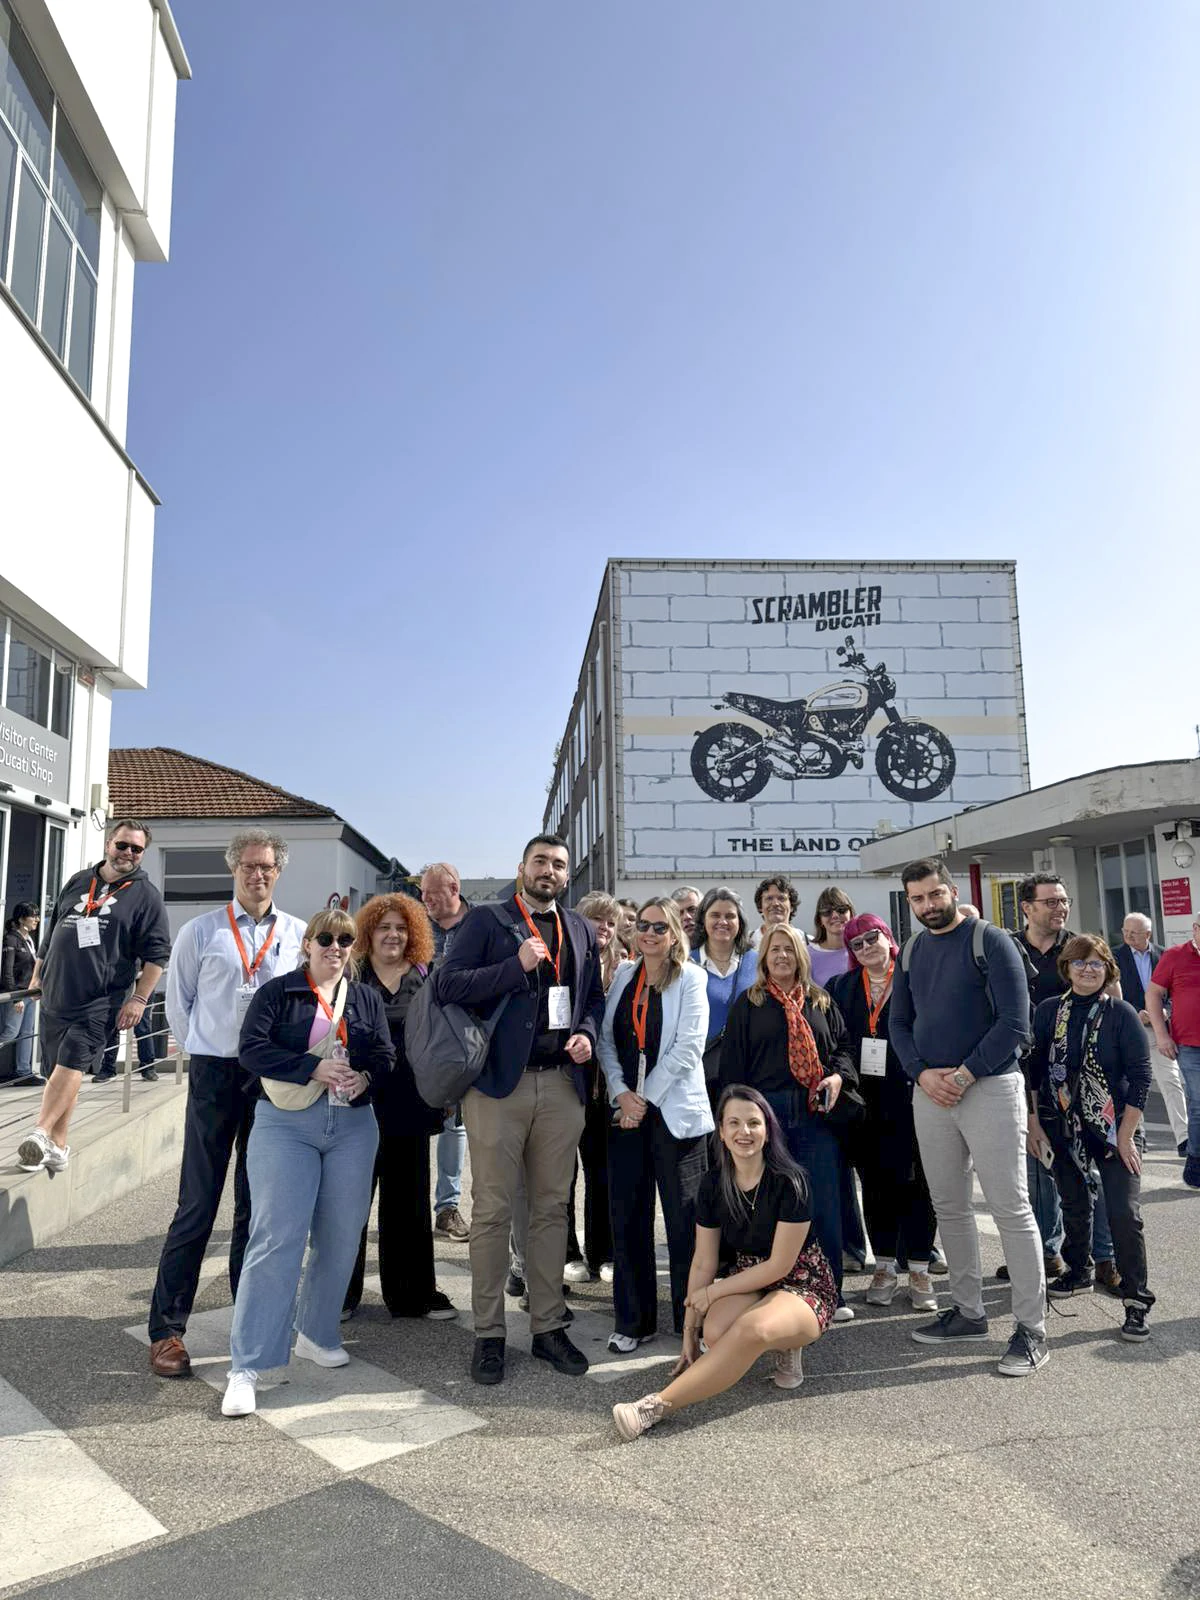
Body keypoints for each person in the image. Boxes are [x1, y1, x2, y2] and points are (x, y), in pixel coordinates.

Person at [438, 834, 605, 1386]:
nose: (549, 870)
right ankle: (489, 1333)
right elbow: (449, 985)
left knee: (552, 1210)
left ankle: (547, 1326)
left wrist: (585, 1033)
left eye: (558, 864)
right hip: (497, 1088)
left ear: (566, 875)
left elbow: (593, 999)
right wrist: (514, 966)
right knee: (492, 1212)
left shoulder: (580, 928)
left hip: (560, 1085)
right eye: (540, 862)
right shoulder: (486, 922)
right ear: (521, 868)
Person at [221, 908, 394, 1417]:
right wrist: (311, 1067)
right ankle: (248, 1366)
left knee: (341, 1235)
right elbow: (251, 1050)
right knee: (276, 1238)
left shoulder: (364, 996)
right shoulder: (280, 992)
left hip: (353, 1126)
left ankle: (316, 1334)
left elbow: (385, 1054)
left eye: (345, 939)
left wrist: (365, 1076)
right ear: (308, 944)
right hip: (285, 1123)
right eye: (326, 938)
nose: (335, 947)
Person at [148, 830, 307, 1377]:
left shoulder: (298, 934)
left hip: (271, 1079)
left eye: (266, 866)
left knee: (256, 1206)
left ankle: (250, 1321)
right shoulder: (201, 931)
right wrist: (207, 1049)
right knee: (197, 1203)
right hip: (215, 1074)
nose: (256, 874)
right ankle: (167, 1330)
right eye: (248, 865)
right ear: (233, 869)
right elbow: (179, 1004)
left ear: (278, 871)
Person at [890, 858, 1049, 1377]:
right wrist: (920, 1073)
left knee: (1010, 1208)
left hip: (990, 1088)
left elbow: (1016, 1023)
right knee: (950, 1207)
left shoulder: (991, 941)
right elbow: (899, 1023)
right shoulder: (910, 951)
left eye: (935, 894)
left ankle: (1031, 1328)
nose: (928, 905)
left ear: (952, 891)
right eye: (917, 899)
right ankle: (968, 1312)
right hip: (930, 1093)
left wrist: (963, 1074)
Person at [611, 1086, 834, 1442]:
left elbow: (779, 1266)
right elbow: (703, 1261)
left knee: (752, 1329)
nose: (744, 1132)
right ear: (721, 1132)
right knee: (714, 1332)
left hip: (802, 1284)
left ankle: (655, 1407)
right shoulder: (713, 1183)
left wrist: (714, 1293)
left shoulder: (791, 1181)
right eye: (734, 1123)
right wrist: (690, 1330)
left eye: (753, 1123)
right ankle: (778, 1335)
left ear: (767, 1131)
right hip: (750, 1278)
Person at [17, 819, 171, 1175]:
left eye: (136, 849)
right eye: (122, 845)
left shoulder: (146, 896)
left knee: (72, 1062)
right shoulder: (78, 880)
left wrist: (139, 999)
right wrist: (38, 975)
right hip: (57, 993)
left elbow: (157, 955)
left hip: (101, 1000)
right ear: (108, 844)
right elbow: (52, 932)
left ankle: (39, 1132)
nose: (128, 853)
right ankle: (57, 1147)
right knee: (60, 1071)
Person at [719, 924, 856, 1320]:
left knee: (823, 1203)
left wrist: (837, 1076)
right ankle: (773, 1290)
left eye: (789, 949)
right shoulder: (750, 1003)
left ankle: (829, 1294)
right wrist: (738, 1122)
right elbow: (733, 1069)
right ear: (764, 957)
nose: (782, 956)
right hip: (767, 1117)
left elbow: (844, 1048)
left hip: (816, 1115)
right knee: (770, 1206)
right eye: (775, 949)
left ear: (801, 956)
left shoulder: (821, 1001)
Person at [1026, 935, 1154, 1340]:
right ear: (1067, 968)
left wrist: (1126, 1136)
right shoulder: (1050, 1011)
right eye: (1080, 962)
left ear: (1108, 970)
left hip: (1115, 1129)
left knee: (1124, 1214)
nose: (1087, 970)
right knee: (1074, 1202)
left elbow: (1141, 1078)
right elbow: (1034, 1071)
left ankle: (1136, 1301)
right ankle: (1078, 1270)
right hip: (1063, 1125)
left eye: (1096, 963)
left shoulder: (1121, 1013)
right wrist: (1034, 1123)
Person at [599, 899, 711, 1351]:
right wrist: (620, 1093)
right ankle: (634, 1322)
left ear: (675, 933)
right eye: (643, 925)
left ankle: (693, 1324)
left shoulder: (692, 977)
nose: (649, 933)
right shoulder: (625, 975)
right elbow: (606, 1041)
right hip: (626, 1113)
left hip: (674, 1115)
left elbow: (689, 1047)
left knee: (685, 1225)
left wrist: (642, 1099)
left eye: (659, 927)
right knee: (628, 1218)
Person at [342, 893, 457, 1322]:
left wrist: (448, 1094)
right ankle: (340, 1294)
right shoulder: (351, 975)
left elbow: (444, 1039)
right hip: (358, 1103)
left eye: (402, 928)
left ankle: (412, 1295)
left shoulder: (427, 977)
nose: (393, 935)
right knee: (349, 1203)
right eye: (384, 927)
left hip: (411, 1103)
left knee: (408, 1203)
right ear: (368, 933)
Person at [829, 914, 938, 1312]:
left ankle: (920, 1269)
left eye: (871, 938)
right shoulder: (841, 987)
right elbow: (836, 1040)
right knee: (876, 1187)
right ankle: (885, 1267)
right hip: (867, 1102)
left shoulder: (914, 979)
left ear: (887, 937)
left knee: (918, 1185)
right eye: (856, 944)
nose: (865, 948)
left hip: (914, 1094)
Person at [1007, 874, 1071, 1279]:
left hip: (1071, 1071)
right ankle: (1044, 1250)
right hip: (1020, 1070)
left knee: (1080, 1167)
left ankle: (1095, 1254)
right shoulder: (1008, 949)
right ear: (1027, 908)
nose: (1060, 908)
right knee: (1033, 1165)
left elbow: (1112, 999)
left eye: (1063, 901)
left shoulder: (1079, 948)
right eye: (1051, 902)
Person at [566, 891, 623, 1283]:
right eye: (596, 919)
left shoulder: (625, 968)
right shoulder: (566, 961)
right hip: (569, 1080)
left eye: (611, 922)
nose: (604, 927)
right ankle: (568, 1252)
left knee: (603, 1171)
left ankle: (603, 1251)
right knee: (563, 1174)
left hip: (609, 1084)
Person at [420, 862, 471, 1244]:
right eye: (422, 894)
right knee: (415, 1126)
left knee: (457, 1127)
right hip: (424, 1041)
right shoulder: (418, 929)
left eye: (432, 893)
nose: (425, 900)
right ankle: (409, 1208)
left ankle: (448, 1208)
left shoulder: (482, 925)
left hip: (467, 1043)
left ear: (454, 889)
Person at [1117, 913, 1188, 1153]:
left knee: (1171, 1081)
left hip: (1159, 1030)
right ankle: (1139, 1135)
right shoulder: (1115, 957)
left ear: (1148, 934)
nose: (1128, 936)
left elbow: (1176, 990)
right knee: (1134, 1082)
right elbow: (1112, 992)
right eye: (1125, 931)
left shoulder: (1164, 955)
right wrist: (1133, 1012)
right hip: (1130, 1028)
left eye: (1134, 933)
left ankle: (1185, 1139)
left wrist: (1166, 1010)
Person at [691, 886, 757, 1110]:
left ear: (740, 922)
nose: (723, 921)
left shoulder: (757, 961)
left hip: (748, 1071)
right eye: (715, 915)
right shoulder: (686, 963)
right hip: (699, 1073)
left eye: (730, 916)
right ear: (703, 920)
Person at [1146, 915, 1200, 1189]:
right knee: (1199, 1103)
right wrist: (1161, 1034)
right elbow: (1153, 994)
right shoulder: (1175, 956)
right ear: (1196, 929)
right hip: (1190, 1045)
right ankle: (1196, 1162)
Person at [1, 903, 42, 1086]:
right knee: (10, 1033)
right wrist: (15, 997)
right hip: (16, 994)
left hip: (29, 993)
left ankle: (23, 1072)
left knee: (27, 1032)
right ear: (21, 919)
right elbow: (7, 971)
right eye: (33, 916)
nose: (37, 919)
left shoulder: (29, 939)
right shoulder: (11, 939)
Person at [807, 886, 855, 989]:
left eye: (841, 909)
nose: (835, 915)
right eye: (827, 912)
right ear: (820, 920)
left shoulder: (862, 950)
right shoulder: (807, 956)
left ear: (851, 914)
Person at [750, 876, 801, 950]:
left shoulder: (806, 942)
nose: (775, 904)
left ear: (791, 906)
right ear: (760, 906)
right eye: (769, 898)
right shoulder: (747, 943)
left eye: (781, 898)